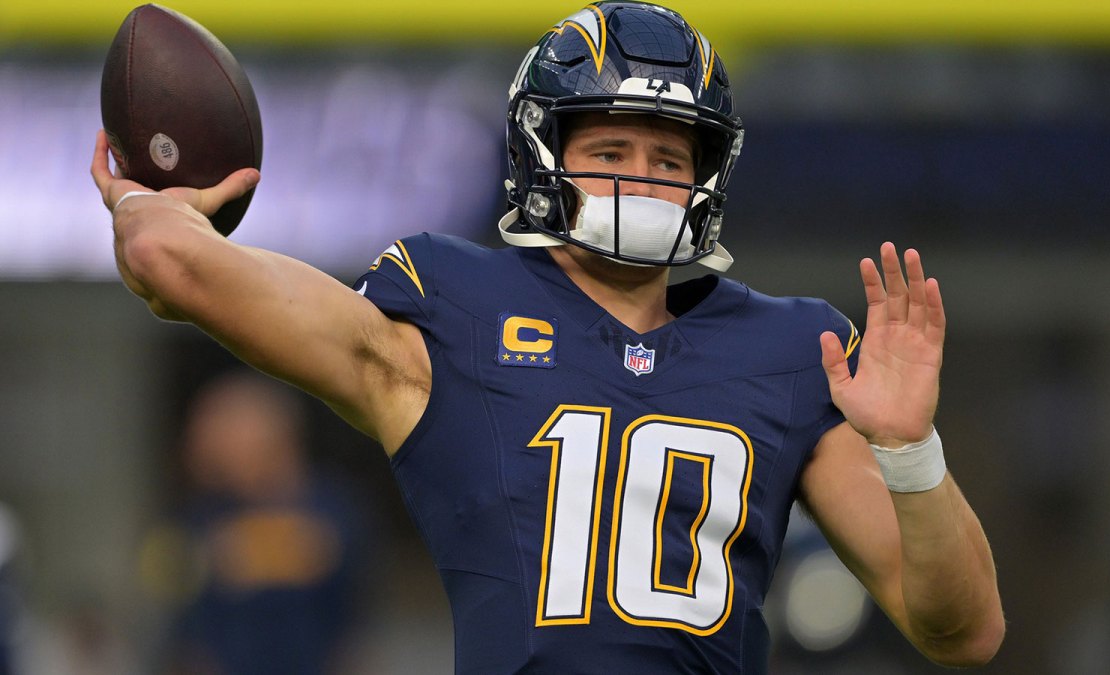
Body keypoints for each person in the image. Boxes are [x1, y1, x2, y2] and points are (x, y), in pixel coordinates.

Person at [91, 2, 1004, 671]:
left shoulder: (790, 349)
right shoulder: (453, 306)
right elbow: (181, 268)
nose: (641, 181)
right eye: (610, 153)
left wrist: (911, 450)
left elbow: (963, 631)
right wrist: (146, 203)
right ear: (544, 154)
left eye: (668, 159)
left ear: (707, 177)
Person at [145, 371, 366, 675]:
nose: (207, 444)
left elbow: (336, 574)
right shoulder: (202, 514)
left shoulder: (332, 507)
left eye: (225, 429)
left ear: (270, 437)